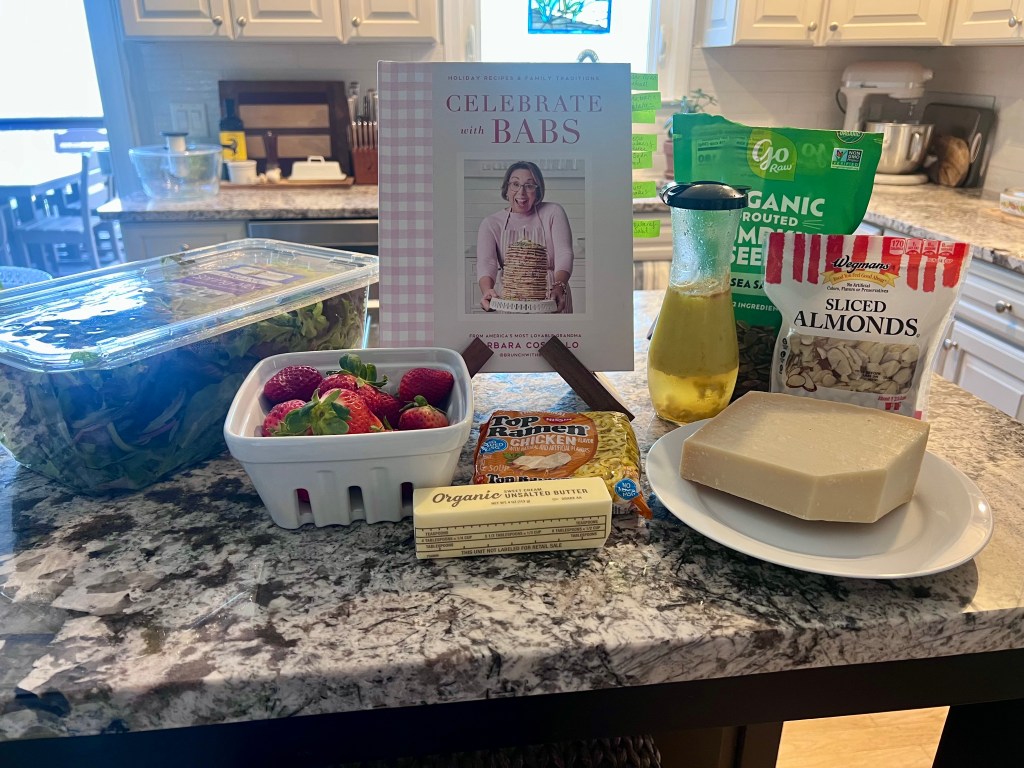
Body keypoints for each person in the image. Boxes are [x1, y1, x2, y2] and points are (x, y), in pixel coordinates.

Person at [476, 161, 575, 313]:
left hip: (553, 297)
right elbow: (486, 262)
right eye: (515, 184)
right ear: (507, 189)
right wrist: (487, 290)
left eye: (529, 185)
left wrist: (559, 286)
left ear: (538, 190)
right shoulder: (491, 223)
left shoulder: (553, 212)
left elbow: (564, 253)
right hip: (509, 302)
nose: (521, 192)